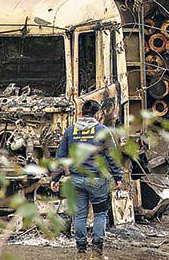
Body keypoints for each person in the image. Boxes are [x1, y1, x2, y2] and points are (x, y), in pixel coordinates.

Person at [51, 100, 122, 259]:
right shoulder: (102, 130)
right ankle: (97, 253)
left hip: (76, 180)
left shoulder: (70, 131)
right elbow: (112, 156)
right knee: (100, 215)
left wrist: (55, 178)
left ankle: (81, 253)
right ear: (97, 113)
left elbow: (61, 157)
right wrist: (117, 176)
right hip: (97, 180)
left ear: (81, 113)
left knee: (80, 216)